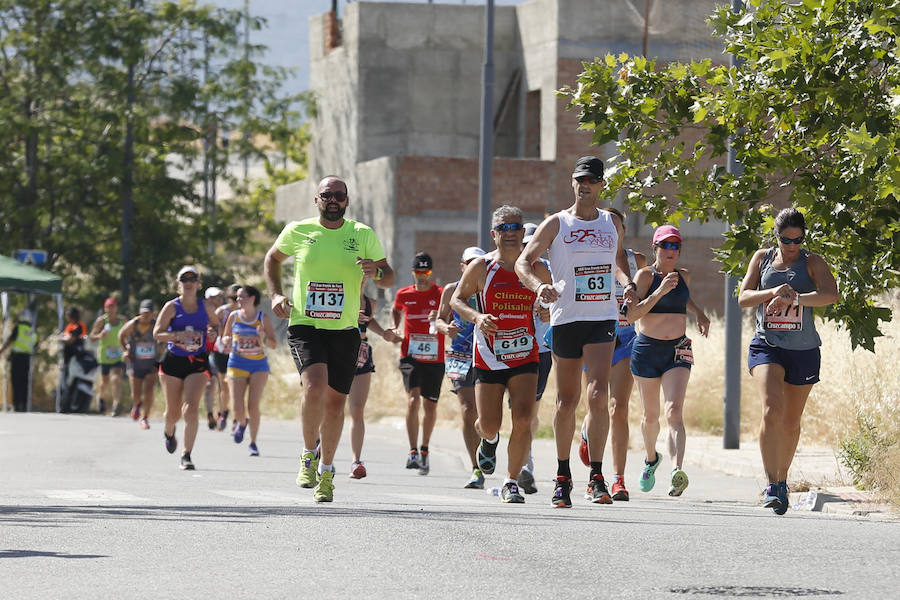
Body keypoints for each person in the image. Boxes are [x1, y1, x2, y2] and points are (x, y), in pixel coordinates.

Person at [264, 175, 394, 503]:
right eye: (326, 195)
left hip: (345, 329)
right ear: (317, 200)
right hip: (306, 323)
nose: (332, 199)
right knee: (314, 387)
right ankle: (308, 454)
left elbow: (388, 275)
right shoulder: (298, 230)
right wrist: (276, 295)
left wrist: (375, 272)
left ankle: (327, 470)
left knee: (336, 404)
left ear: (347, 200)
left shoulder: (362, 234)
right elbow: (272, 259)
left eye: (339, 195)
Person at [516, 156, 636, 508]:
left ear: (601, 186)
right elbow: (524, 261)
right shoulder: (557, 223)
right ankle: (563, 474)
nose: (585, 185)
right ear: (572, 183)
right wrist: (540, 287)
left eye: (592, 180)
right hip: (566, 317)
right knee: (567, 400)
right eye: (580, 179)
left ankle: (596, 475)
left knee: (598, 395)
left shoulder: (612, 221)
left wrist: (627, 286)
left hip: (601, 317)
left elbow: (618, 262)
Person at [738, 207, 838, 515]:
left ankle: (783, 479)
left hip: (804, 349)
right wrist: (772, 292)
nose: (792, 246)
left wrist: (794, 298)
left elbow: (830, 294)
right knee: (772, 408)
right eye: (786, 240)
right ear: (776, 236)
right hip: (767, 344)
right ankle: (773, 485)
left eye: (798, 240)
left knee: (791, 421)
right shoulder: (762, 258)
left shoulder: (813, 262)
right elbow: (743, 297)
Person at [451, 206, 550, 503]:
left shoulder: (538, 267)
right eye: (503, 228)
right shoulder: (481, 267)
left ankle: (511, 482)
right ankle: (489, 442)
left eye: (515, 227)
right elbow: (458, 299)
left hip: (525, 353)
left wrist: (546, 308)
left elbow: (552, 300)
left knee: (522, 419)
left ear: (523, 233)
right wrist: (478, 318)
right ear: (494, 234)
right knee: (489, 423)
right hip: (489, 356)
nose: (509, 233)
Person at [626, 225, 710, 498]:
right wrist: (659, 291)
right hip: (647, 349)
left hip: (678, 349)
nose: (671, 251)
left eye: (675, 246)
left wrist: (699, 313)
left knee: (674, 411)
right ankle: (651, 459)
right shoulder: (646, 275)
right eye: (665, 246)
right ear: (655, 248)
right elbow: (632, 315)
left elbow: (683, 298)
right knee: (650, 417)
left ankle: (677, 472)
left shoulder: (683, 275)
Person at [577, 207, 647, 501]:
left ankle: (617, 479)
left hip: (626, 338)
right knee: (597, 404)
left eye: (617, 229)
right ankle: (591, 451)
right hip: (593, 337)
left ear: (623, 232)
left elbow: (647, 297)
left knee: (619, 408)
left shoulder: (638, 261)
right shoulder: (587, 256)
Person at [153, 266, 220, 470]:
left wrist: (212, 333)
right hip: (173, 361)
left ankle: (186, 454)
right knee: (173, 413)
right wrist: (176, 336)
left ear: (199, 284)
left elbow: (216, 326)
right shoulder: (171, 307)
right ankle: (169, 431)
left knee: (191, 409)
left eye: (193, 279)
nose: (189, 283)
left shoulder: (206, 306)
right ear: (178, 284)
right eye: (184, 279)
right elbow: (157, 333)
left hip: (197, 361)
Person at [433, 246, 487, 489]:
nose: (474, 266)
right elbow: (439, 319)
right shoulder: (452, 290)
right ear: (463, 266)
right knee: (467, 409)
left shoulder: (489, 285)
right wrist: (446, 329)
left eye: (479, 262)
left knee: (486, 413)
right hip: (459, 355)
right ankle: (476, 467)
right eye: (470, 262)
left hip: (488, 353)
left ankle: (488, 443)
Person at [389, 252, 445, 475]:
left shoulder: (440, 295)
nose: (422, 276)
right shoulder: (403, 294)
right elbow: (395, 310)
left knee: (430, 406)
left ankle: (424, 449)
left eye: (427, 272)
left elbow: (450, 318)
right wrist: (395, 328)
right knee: (413, 400)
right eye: (419, 272)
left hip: (435, 358)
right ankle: (412, 451)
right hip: (410, 356)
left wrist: (439, 317)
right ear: (413, 272)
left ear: (431, 273)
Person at [347, 286, 397, 478]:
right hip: (338, 353)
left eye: (365, 274)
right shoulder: (340, 296)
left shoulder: (370, 303)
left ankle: (356, 461)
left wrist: (384, 333)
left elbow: (369, 320)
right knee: (329, 406)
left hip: (361, 355)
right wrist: (350, 318)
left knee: (357, 410)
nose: (362, 277)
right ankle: (320, 452)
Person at [518, 223, 553, 495]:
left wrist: (550, 313)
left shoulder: (550, 271)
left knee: (531, 411)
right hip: (512, 349)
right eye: (525, 245)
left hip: (540, 349)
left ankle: (525, 463)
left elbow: (566, 304)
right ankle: (522, 463)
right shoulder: (511, 270)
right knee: (520, 410)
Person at [222, 285, 276, 457]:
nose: (238, 300)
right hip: (237, 363)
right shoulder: (234, 316)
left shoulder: (263, 318)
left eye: (242, 297)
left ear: (252, 298)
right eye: (237, 297)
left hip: (258, 365)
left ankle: (253, 442)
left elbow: (273, 344)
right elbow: (224, 337)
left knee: (253, 406)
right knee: (237, 406)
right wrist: (227, 339)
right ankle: (242, 422)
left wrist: (263, 337)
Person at [118, 299, 159, 430]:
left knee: (149, 390)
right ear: (139, 312)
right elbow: (121, 335)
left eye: (148, 313)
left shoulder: (156, 324)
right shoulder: (133, 324)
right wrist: (125, 350)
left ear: (153, 313)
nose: (145, 316)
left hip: (152, 362)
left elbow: (164, 336)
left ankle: (145, 418)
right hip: (135, 362)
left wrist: (161, 347)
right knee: (136, 392)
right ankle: (136, 404)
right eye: (143, 313)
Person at [89, 297, 125, 415]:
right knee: (105, 381)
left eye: (113, 306)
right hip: (105, 356)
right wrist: (100, 335)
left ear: (116, 308)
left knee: (116, 378)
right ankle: (100, 396)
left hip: (118, 355)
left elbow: (129, 334)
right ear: (105, 308)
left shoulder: (122, 320)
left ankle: (116, 405)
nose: (111, 309)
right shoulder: (101, 321)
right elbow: (91, 337)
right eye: (108, 307)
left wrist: (127, 346)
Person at [213, 284, 240, 431]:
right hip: (222, 351)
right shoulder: (221, 312)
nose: (237, 301)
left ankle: (237, 417)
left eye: (240, 297)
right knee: (224, 386)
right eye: (234, 298)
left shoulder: (247, 313)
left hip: (240, 353)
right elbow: (214, 329)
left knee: (237, 386)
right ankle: (223, 413)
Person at [0, 310, 36, 412]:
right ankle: (24, 406)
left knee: (16, 382)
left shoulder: (18, 328)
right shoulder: (32, 331)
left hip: (17, 359)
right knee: (25, 382)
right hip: (27, 359)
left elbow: (10, 341)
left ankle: (16, 405)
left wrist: (1, 351)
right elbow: (36, 343)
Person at [203, 286, 226, 430]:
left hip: (221, 352)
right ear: (207, 299)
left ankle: (221, 412)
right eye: (214, 297)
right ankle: (210, 414)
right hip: (205, 353)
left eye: (220, 297)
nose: (218, 300)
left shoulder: (225, 313)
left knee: (222, 385)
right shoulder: (201, 313)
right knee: (210, 384)